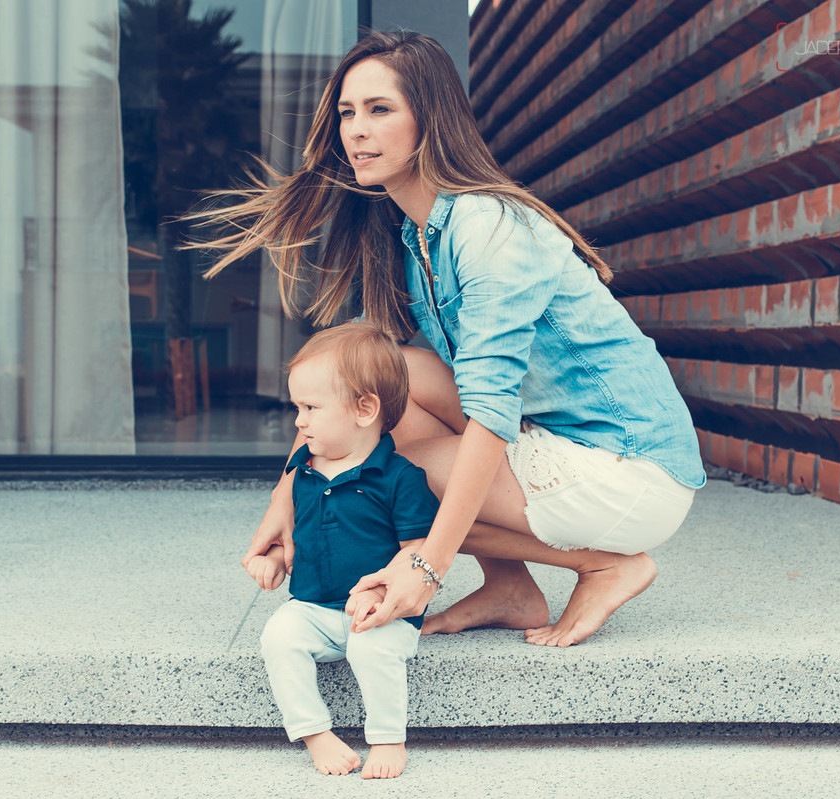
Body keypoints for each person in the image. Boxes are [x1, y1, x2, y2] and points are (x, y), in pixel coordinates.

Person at [195, 30, 706, 649]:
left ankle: (606, 564)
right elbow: (363, 381)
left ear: (429, 121)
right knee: (380, 387)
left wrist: (426, 565)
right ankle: (509, 587)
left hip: (631, 467)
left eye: (380, 110)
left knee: (386, 471)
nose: (356, 130)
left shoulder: (488, 226)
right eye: (347, 114)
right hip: (557, 439)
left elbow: (491, 408)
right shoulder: (420, 237)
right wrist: (288, 490)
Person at [245, 321, 440, 779]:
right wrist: (273, 560)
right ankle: (315, 734)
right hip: (313, 605)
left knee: (373, 652)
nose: (299, 421)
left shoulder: (399, 478)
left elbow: (419, 548)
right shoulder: (304, 470)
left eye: (311, 407)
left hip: (381, 612)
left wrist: (380, 594)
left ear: (365, 409)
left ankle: (389, 739)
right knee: (278, 636)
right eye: (297, 407)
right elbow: (297, 535)